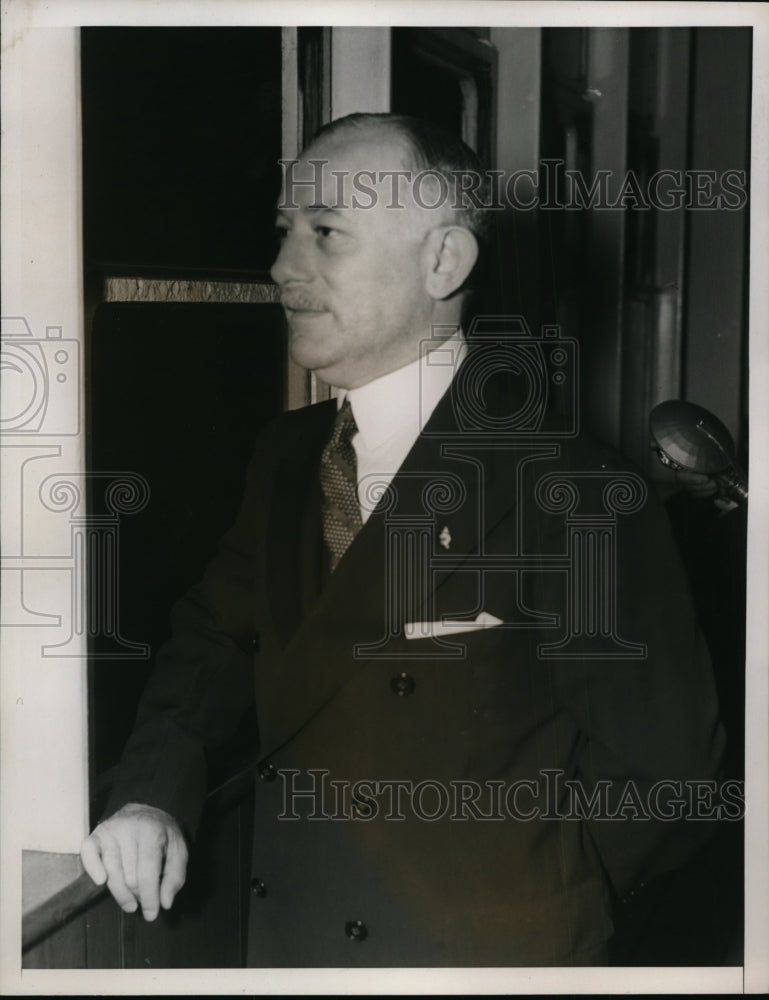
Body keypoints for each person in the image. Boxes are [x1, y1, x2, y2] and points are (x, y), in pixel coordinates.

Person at [80, 113, 726, 966]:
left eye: (325, 234)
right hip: (289, 947)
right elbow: (211, 640)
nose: (281, 267)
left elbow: (670, 772)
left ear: (443, 262)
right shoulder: (286, 454)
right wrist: (152, 795)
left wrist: (534, 900)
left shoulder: (572, 486)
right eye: (283, 232)